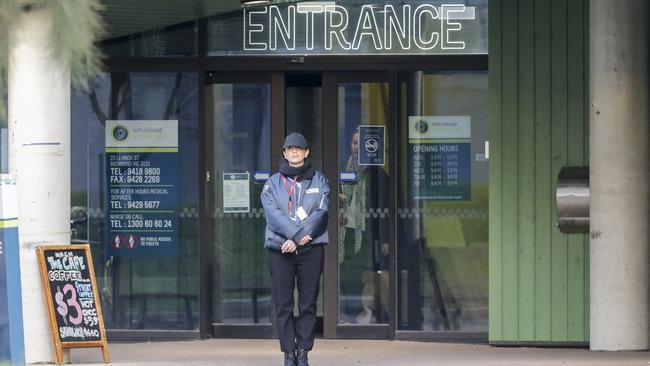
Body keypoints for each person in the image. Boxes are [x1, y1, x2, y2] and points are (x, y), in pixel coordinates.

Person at [261, 132, 330, 366]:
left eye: (298, 148)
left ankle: (303, 352)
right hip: (280, 250)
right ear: (284, 153)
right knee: (283, 304)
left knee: (308, 303)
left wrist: (299, 239)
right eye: (290, 148)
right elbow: (274, 217)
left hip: (311, 250)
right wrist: (295, 236)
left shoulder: (319, 180)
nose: (294, 152)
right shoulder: (272, 184)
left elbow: (321, 213)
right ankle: (288, 353)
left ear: (306, 152)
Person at [338, 126, 389, 324]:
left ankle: (372, 315)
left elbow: (386, 208)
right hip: (346, 232)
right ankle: (353, 315)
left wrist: (386, 238)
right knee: (347, 272)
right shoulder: (345, 169)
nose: (357, 147)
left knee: (364, 273)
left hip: (369, 233)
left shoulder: (378, 174)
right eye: (354, 142)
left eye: (362, 143)